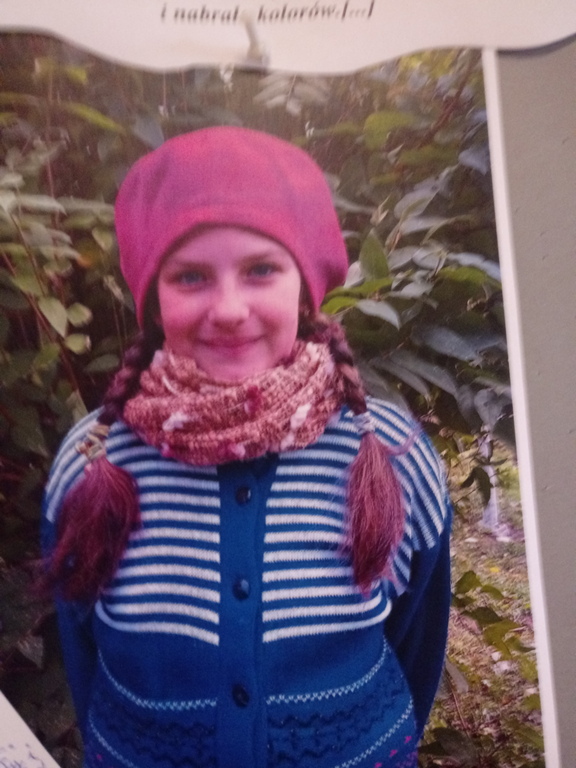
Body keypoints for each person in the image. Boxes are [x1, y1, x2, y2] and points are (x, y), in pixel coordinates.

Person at [42, 127, 452, 768]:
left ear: (304, 287)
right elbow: (82, 651)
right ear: (154, 301)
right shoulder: (93, 462)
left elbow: (417, 642)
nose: (230, 309)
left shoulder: (391, 456)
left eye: (261, 269)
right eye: (191, 276)